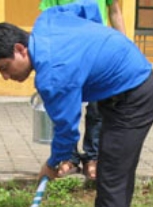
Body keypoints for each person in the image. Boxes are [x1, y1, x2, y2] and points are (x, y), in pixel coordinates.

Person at [0, 0, 153, 207]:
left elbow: (66, 131)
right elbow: (87, 6)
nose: (6, 76)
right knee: (109, 167)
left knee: (113, 176)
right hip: (116, 92)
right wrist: (98, 45)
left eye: (5, 67)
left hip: (135, 96)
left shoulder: (53, 74)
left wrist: (52, 164)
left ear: (20, 49)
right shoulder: (47, 21)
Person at [39, 0, 126, 183]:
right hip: (66, 52)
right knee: (65, 108)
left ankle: (92, 157)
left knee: (97, 109)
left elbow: (115, 12)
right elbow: (48, 19)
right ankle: (67, 158)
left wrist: (124, 47)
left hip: (96, 50)